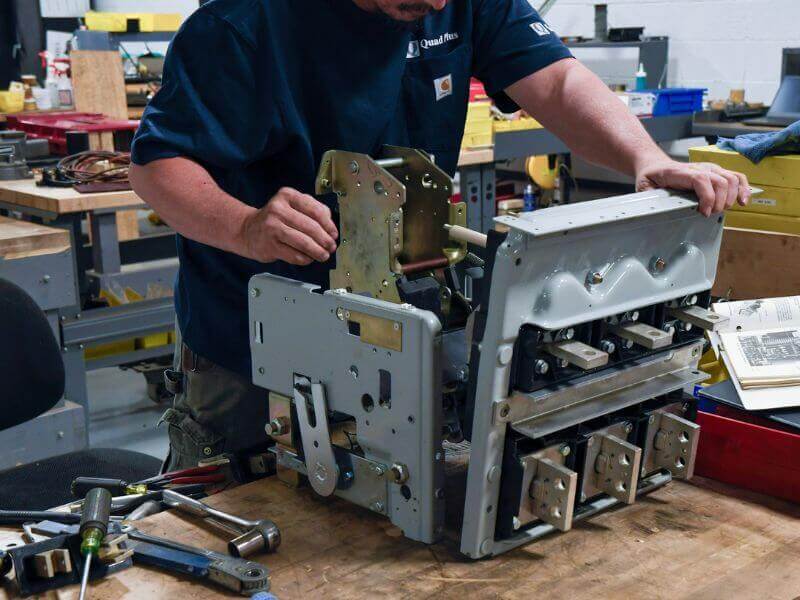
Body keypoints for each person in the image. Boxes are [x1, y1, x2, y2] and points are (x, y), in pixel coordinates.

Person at [129, 0, 750, 470]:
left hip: (403, 328)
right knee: (246, 519)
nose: (432, 5)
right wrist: (246, 225)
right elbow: (157, 166)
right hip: (254, 353)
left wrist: (646, 158)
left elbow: (556, 82)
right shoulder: (241, 23)